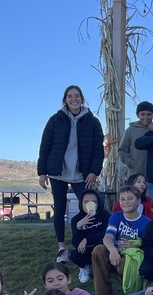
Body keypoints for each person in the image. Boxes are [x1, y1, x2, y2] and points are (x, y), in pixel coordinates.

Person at [37, 85, 105, 263]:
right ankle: (62, 248)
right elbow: (45, 146)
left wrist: (93, 172)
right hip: (57, 173)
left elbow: (99, 150)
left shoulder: (93, 121)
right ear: (65, 100)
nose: (74, 99)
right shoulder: (55, 120)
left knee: (91, 207)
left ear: (82, 98)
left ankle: (91, 242)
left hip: (82, 174)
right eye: (70, 96)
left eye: (77, 96)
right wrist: (42, 172)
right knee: (59, 209)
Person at [91, 186, 150, 295]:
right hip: (115, 252)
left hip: (131, 257)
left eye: (130, 198)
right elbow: (108, 237)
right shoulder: (116, 216)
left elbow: (148, 247)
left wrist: (133, 247)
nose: (126, 202)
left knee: (127, 263)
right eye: (122, 199)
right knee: (98, 250)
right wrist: (113, 251)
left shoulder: (146, 222)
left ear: (138, 201)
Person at [67, 189, 111, 284]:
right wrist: (78, 227)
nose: (90, 204)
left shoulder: (105, 215)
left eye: (94, 202)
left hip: (101, 247)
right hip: (86, 249)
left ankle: (101, 268)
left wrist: (87, 239)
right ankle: (84, 267)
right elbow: (75, 242)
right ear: (81, 204)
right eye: (86, 202)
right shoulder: (76, 219)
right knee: (73, 254)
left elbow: (106, 232)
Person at [118, 100, 153, 181]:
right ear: (138, 115)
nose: (146, 117)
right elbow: (122, 150)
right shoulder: (130, 130)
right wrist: (132, 164)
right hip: (135, 174)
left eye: (149, 114)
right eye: (143, 114)